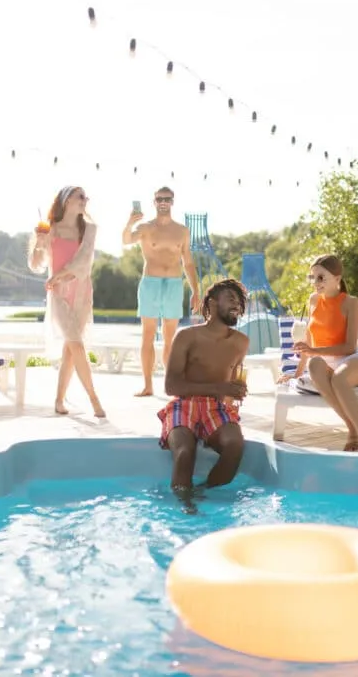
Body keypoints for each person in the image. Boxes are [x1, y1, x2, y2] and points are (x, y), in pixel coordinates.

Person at [278, 255, 358, 453]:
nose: (315, 283)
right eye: (312, 277)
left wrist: (315, 351)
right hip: (328, 362)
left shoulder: (351, 303)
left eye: (321, 278)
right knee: (314, 365)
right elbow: (309, 340)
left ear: (337, 279)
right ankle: (352, 430)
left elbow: (349, 346)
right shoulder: (313, 301)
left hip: (354, 360)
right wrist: (297, 375)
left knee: (339, 378)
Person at [159, 278, 249, 492]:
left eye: (239, 301)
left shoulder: (241, 342)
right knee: (184, 453)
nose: (237, 305)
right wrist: (220, 388)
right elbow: (171, 386)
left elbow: (232, 384)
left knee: (235, 445)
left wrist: (236, 392)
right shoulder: (187, 336)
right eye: (230, 298)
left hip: (216, 408)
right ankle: (184, 507)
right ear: (211, 303)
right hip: (184, 405)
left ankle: (204, 494)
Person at [27, 185, 105, 418]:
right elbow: (35, 264)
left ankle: (59, 400)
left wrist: (59, 275)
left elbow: (84, 262)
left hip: (81, 292)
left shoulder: (89, 229)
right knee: (76, 344)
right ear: (66, 200)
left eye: (85, 197)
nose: (84, 200)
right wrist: (40, 244)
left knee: (71, 350)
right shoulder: (49, 229)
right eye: (80, 196)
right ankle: (94, 399)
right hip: (59, 293)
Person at [122, 186, 202, 397]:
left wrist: (196, 290)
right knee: (147, 335)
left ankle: (171, 385)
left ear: (172, 202)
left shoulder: (182, 231)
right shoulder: (146, 228)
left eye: (167, 198)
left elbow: (188, 263)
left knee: (170, 338)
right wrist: (131, 221)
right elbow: (126, 240)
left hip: (175, 284)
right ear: (154, 202)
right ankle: (148, 385)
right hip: (151, 284)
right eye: (160, 199)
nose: (163, 202)